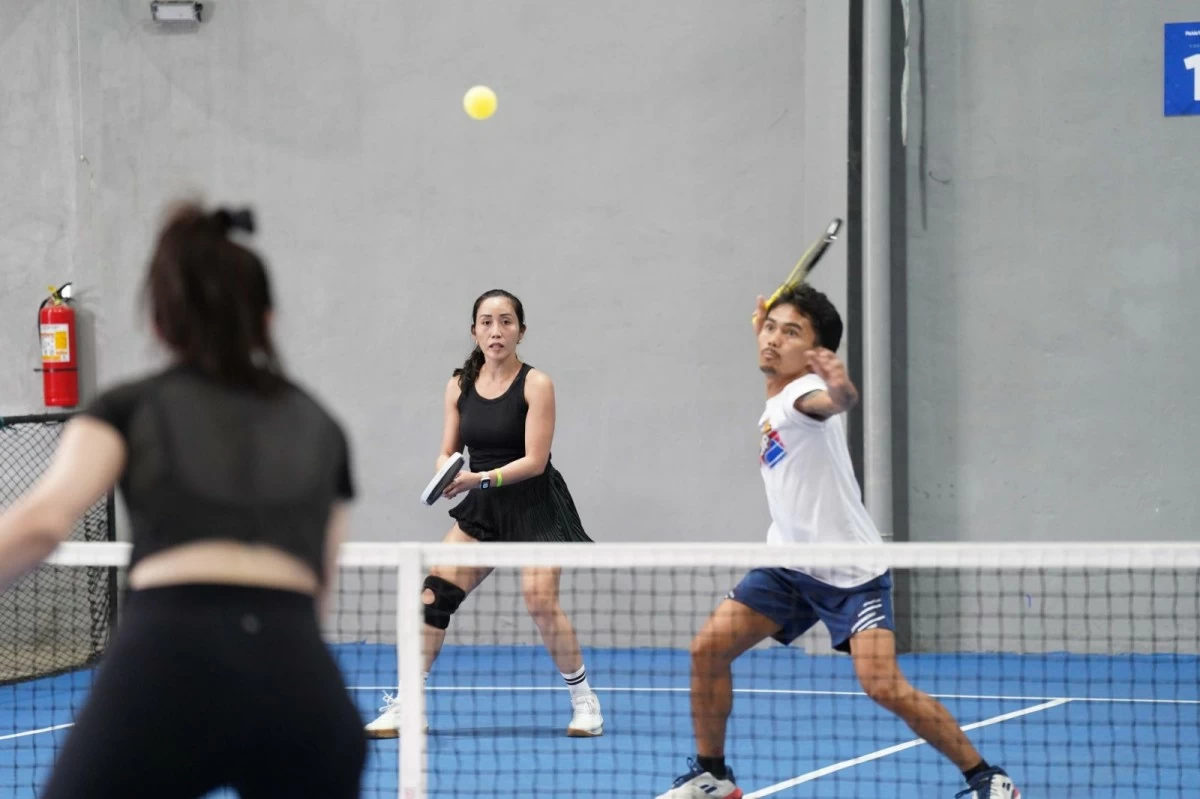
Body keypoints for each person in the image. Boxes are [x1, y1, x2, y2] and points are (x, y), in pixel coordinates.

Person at [0, 203, 366, 798]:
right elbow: (319, 585)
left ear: (163, 322)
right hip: (297, 671)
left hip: (169, 660)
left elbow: (42, 523)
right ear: (268, 320)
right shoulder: (321, 425)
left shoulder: (129, 406)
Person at [654, 285, 1019, 799]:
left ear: (815, 355)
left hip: (850, 573)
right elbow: (773, 348)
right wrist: (767, 324)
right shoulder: (779, 389)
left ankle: (987, 778)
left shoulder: (804, 399)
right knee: (707, 652)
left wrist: (841, 388)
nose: (774, 339)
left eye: (791, 332)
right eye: (771, 328)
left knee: (882, 686)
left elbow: (833, 401)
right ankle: (713, 775)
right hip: (788, 566)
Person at [366, 288, 603, 739]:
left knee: (540, 602)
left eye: (507, 321)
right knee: (433, 595)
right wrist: (445, 470)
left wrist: (477, 479)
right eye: (487, 322)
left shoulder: (537, 384)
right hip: (484, 510)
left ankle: (584, 700)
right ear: (474, 331)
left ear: (521, 331)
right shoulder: (458, 383)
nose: (497, 330)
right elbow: (447, 450)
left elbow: (535, 460)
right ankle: (409, 705)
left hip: (535, 508)